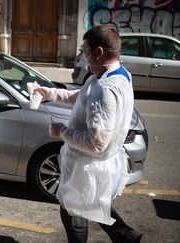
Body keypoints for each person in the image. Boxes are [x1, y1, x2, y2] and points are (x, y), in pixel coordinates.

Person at [34, 25, 142, 242]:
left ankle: (125, 236)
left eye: (84, 50)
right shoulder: (117, 75)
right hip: (97, 164)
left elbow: (96, 143)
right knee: (92, 203)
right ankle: (127, 236)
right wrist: (50, 93)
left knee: (72, 210)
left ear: (99, 52)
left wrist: (62, 131)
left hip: (87, 165)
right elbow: (83, 96)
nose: (82, 56)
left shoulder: (105, 89)